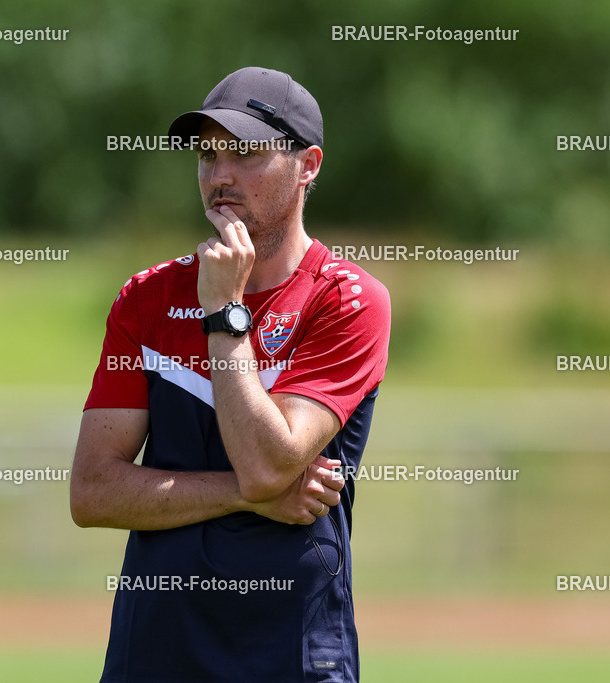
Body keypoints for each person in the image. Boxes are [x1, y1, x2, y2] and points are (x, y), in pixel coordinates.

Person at [70, 66, 390, 682]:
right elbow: (92, 493)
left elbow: (270, 462)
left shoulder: (347, 299)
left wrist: (224, 313)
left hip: (292, 657)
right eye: (207, 154)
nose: (219, 175)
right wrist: (247, 495)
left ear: (309, 164)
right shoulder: (146, 299)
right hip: (154, 656)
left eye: (245, 153)